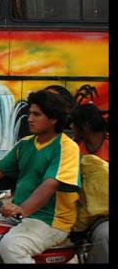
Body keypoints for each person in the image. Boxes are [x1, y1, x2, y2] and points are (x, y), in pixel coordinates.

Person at [0, 90, 81, 263]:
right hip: (21, 215)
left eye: (36, 115)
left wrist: (22, 209)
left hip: (50, 221)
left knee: (12, 247)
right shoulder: (25, 144)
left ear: (53, 119)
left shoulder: (66, 147)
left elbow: (51, 184)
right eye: (30, 114)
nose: (29, 119)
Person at [70, 103, 109, 263]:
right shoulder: (73, 147)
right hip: (77, 212)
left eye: (73, 123)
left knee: (104, 237)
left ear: (85, 126)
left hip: (104, 215)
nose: (71, 127)